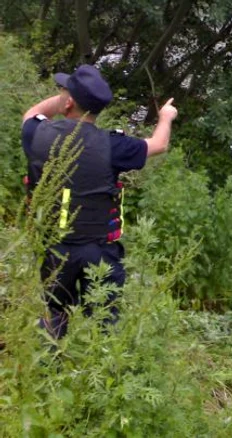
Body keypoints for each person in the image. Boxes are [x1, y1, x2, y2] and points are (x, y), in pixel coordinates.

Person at [21, 64, 178, 338]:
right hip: (99, 251)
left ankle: (52, 361)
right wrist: (166, 116)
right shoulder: (113, 146)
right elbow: (159, 144)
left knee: (55, 312)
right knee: (105, 322)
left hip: (54, 248)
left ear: (68, 102)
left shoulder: (38, 134)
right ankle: (100, 363)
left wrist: (60, 101)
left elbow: (32, 114)